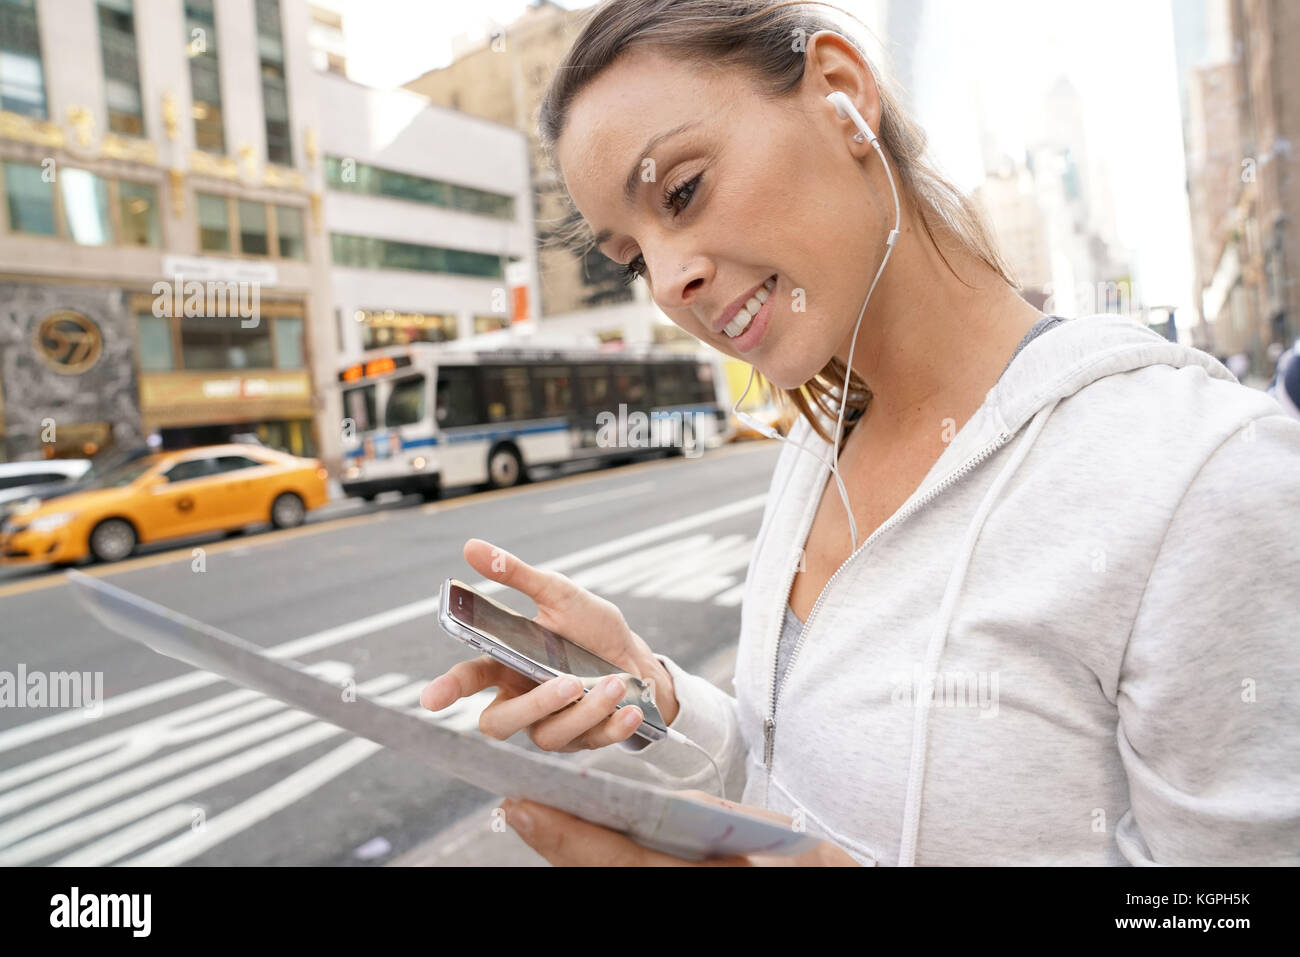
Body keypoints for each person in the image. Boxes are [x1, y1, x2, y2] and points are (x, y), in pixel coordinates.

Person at [420, 0, 1300, 866]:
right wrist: (658, 698)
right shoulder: (815, 448)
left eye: (681, 190)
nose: (670, 281)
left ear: (842, 91)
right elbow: (788, 780)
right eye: (633, 258)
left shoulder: (1208, 475)